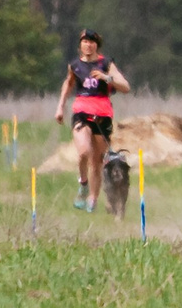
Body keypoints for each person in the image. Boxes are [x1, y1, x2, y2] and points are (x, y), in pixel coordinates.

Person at [53, 30, 131, 210]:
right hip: (81, 113)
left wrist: (107, 78)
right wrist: (60, 107)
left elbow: (125, 87)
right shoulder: (75, 65)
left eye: (92, 42)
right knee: (83, 152)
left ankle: (92, 199)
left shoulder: (106, 63)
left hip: (102, 116)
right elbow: (68, 84)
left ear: (97, 45)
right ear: (80, 44)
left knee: (97, 161)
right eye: (85, 41)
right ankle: (83, 183)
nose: (88, 45)